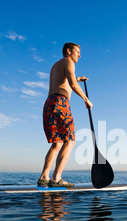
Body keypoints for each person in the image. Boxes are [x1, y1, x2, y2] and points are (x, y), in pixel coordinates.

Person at [38, 43, 93, 188]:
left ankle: (44, 176)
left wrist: (78, 78)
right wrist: (86, 99)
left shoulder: (56, 65)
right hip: (61, 103)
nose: (79, 55)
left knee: (57, 143)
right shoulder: (69, 62)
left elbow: (65, 79)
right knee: (70, 140)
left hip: (49, 104)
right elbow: (72, 83)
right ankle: (56, 178)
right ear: (69, 52)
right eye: (77, 52)